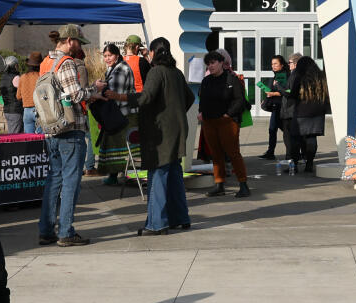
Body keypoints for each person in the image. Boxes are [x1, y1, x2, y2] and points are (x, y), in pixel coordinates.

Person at [117, 39, 193, 235]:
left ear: (153, 52)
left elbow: (146, 97)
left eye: (148, 52)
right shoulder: (176, 72)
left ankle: (156, 224)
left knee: (157, 175)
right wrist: (174, 112)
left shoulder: (156, 71)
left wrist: (121, 97)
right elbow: (190, 98)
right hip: (177, 130)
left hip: (160, 133)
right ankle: (180, 218)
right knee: (174, 173)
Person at [38, 24, 102, 247]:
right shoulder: (65, 63)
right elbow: (75, 94)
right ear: (70, 41)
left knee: (54, 179)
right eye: (78, 43)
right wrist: (94, 88)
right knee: (71, 182)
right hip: (70, 128)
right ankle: (66, 232)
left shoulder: (46, 62)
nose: (79, 48)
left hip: (51, 129)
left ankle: (46, 230)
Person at [199, 50, 252, 197]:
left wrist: (228, 114)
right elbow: (202, 99)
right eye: (208, 64)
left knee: (233, 153)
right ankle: (219, 184)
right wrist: (201, 112)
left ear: (222, 63)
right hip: (209, 122)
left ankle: (243, 184)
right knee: (215, 154)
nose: (210, 66)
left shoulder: (231, 79)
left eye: (213, 63)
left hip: (227, 122)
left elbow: (240, 100)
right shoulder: (206, 81)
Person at [99, 43, 138, 186]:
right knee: (119, 146)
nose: (107, 58)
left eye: (110, 55)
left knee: (119, 145)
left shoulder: (121, 69)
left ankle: (117, 175)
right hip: (120, 113)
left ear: (117, 55)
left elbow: (113, 93)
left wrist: (100, 92)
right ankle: (118, 175)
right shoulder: (114, 68)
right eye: (105, 56)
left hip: (123, 114)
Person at [285, 55, 328, 175]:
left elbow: (293, 94)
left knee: (295, 140)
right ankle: (309, 164)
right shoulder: (321, 77)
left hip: (301, 112)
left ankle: (294, 165)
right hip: (318, 113)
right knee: (311, 138)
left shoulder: (299, 77)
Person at [259, 53, 289, 161]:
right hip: (276, 105)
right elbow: (273, 89)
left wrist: (272, 94)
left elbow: (285, 92)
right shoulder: (277, 75)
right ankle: (271, 152)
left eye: (276, 64)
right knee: (274, 130)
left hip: (281, 106)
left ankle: (292, 152)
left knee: (281, 130)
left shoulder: (283, 75)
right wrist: (267, 98)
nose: (273, 66)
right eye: (272, 64)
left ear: (282, 65)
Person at [17, 50, 43, 134]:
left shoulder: (23, 77)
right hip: (40, 109)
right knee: (42, 139)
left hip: (27, 111)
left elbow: (18, 96)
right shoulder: (41, 77)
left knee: (29, 140)